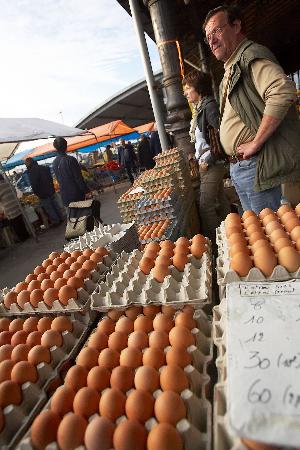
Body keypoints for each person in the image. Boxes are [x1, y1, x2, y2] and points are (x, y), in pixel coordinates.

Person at [203, 5, 300, 214]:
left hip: (258, 165)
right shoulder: (231, 67)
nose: (212, 40)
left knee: (272, 237)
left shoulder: (249, 56)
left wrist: (256, 143)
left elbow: (282, 91)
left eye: (217, 31)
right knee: (261, 234)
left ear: (236, 26)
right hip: (241, 167)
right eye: (208, 36)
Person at [183, 70, 230, 244]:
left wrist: (207, 159)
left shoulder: (209, 107)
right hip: (208, 162)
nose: (185, 92)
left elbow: (221, 136)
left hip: (212, 164)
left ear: (198, 88)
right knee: (221, 199)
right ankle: (230, 234)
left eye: (188, 88)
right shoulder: (201, 108)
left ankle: (216, 244)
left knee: (205, 206)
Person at [52, 137, 91, 207]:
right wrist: (86, 191)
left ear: (55, 148)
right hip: (76, 194)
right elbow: (78, 178)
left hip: (65, 195)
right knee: (83, 215)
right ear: (66, 146)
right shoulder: (71, 160)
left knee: (73, 216)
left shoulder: (54, 163)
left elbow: (59, 179)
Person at [25, 158, 64, 226]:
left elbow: (34, 183)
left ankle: (56, 221)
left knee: (49, 207)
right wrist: (51, 187)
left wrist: (36, 193)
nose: (25, 165)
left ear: (29, 162)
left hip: (42, 192)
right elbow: (50, 178)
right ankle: (61, 218)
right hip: (50, 189)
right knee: (55, 204)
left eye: (25, 163)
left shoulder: (32, 171)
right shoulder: (44, 167)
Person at [0, 173, 29, 241]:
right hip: (16, 204)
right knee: (20, 221)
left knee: (15, 223)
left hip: (8, 207)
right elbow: (15, 192)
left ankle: (22, 238)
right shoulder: (8, 183)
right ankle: (26, 235)